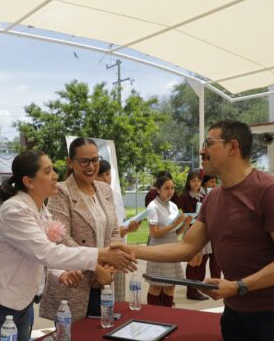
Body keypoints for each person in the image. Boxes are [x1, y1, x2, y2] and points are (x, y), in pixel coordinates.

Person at [114, 120, 274, 341]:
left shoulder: (269, 191)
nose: (201, 151)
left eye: (208, 144)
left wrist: (240, 286)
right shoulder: (214, 199)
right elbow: (186, 247)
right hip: (237, 314)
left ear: (233, 147)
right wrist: (131, 249)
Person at [0, 150, 137, 341]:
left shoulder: (40, 210)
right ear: (29, 181)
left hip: (21, 306)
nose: (55, 176)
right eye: (48, 171)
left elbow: (38, 256)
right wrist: (101, 255)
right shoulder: (15, 211)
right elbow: (47, 252)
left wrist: (59, 274)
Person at [39, 138, 124, 322]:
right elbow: (62, 239)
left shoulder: (104, 190)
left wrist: (109, 267)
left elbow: (114, 232)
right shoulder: (61, 192)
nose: (91, 166)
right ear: (70, 162)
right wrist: (95, 268)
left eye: (95, 160)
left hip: (104, 283)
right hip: (74, 284)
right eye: (84, 161)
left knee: (104, 337)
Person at [97, 159, 141, 303]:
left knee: (119, 296)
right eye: (101, 175)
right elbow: (106, 233)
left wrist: (128, 229)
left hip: (120, 250)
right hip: (103, 254)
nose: (105, 179)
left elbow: (118, 225)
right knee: (104, 297)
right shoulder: (94, 198)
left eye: (108, 174)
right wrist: (125, 230)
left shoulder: (115, 196)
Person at [143, 175, 188, 307]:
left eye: (172, 188)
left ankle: (168, 314)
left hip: (172, 246)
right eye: (166, 188)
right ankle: (153, 316)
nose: (170, 191)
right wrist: (175, 224)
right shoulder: (153, 206)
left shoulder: (173, 206)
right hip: (159, 248)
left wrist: (184, 224)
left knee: (171, 284)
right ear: (158, 190)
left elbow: (176, 233)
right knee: (156, 285)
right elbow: (154, 233)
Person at [175, 171, 218, 301]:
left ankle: (198, 289)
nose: (196, 183)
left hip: (203, 230)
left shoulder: (202, 196)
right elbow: (186, 214)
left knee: (201, 261)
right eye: (193, 181)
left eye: (198, 181)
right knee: (193, 262)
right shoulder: (185, 196)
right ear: (189, 182)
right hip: (191, 230)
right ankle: (191, 290)